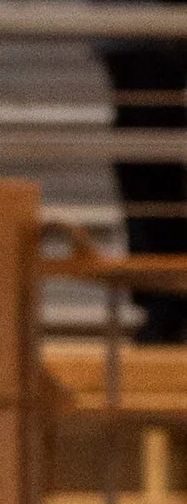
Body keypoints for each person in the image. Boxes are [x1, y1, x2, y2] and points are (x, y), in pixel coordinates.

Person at [96, 8, 187, 346]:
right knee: (143, 156)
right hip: (134, 33)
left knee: (148, 155)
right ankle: (162, 299)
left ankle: (165, 301)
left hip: (145, 33)